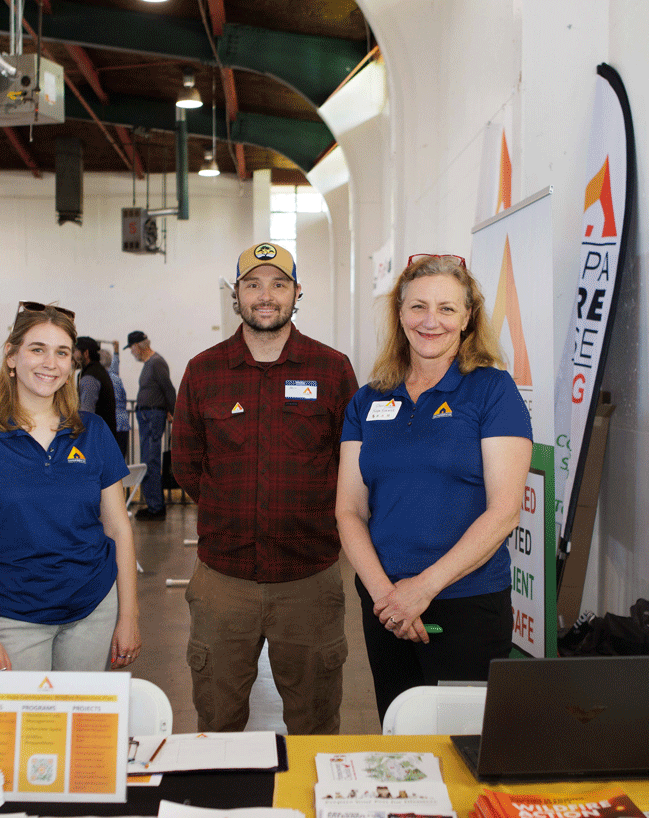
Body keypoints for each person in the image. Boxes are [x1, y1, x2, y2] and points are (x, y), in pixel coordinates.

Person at [336, 253, 533, 724]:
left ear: (468, 317)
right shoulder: (369, 399)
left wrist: (421, 590)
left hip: (466, 604)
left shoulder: (492, 391)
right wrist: (388, 597)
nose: (431, 321)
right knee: (402, 736)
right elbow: (349, 510)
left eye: (447, 308)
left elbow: (504, 512)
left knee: (465, 746)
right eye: (418, 307)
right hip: (385, 607)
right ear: (400, 314)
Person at [172, 242, 359, 734]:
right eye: (252, 284)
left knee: (316, 722)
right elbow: (188, 465)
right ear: (236, 296)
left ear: (298, 294)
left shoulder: (332, 369)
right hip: (223, 582)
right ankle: (224, 811)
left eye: (279, 284)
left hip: (310, 582)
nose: (265, 295)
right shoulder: (203, 371)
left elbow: (353, 465)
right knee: (217, 718)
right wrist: (232, 512)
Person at [0, 302, 141, 673]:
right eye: (37, 349)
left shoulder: (92, 431)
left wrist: (128, 615)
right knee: (25, 731)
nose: (51, 362)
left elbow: (118, 529)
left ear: (72, 363)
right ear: (12, 357)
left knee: (80, 727)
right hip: (11, 616)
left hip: (92, 608)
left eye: (62, 352)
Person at [126, 329, 175, 520]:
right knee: (148, 462)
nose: (131, 352)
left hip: (153, 417)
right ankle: (153, 505)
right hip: (149, 416)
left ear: (139, 346)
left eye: (131, 348)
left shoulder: (156, 363)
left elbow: (168, 389)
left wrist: (174, 412)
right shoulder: (150, 364)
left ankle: (156, 508)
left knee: (151, 462)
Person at [73, 335, 117, 439]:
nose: (72, 356)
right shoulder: (99, 371)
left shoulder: (90, 377)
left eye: (75, 351)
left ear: (86, 353)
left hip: (96, 439)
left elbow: (86, 413)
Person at [102, 344, 131, 459]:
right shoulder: (116, 378)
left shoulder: (100, 379)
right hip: (123, 424)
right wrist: (116, 353)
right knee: (120, 459)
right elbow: (114, 367)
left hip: (110, 425)